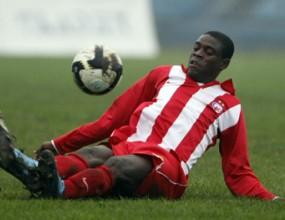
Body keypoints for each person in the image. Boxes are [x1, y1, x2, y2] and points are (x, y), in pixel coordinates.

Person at [0, 31, 281, 200]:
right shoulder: (163, 74)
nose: (197, 54)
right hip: (128, 145)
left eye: (208, 52)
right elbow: (110, 121)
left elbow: (238, 171)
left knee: (123, 164)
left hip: (167, 167)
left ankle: (60, 190)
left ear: (223, 63)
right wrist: (58, 144)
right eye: (196, 47)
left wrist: (271, 199)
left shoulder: (228, 105)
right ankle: (24, 164)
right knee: (96, 154)